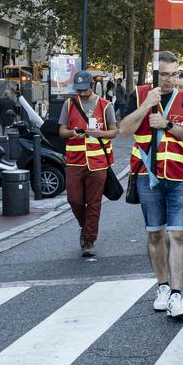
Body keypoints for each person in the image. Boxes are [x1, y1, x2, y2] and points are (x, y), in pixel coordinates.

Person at [120, 51, 183, 319]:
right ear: (154, 74)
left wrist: (167, 125)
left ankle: (177, 294)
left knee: (179, 234)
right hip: (148, 175)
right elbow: (124, 130)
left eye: (174, 74)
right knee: (155, 234)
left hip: (181, 175)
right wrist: (146, 105)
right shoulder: (140, 94)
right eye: (164, 75)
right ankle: (163, 287)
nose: (169, 80)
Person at [59, 70, 117, 258]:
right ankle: (85, 228)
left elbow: (114, 132)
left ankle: (89, 240)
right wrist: (72, 133)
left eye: (85, 89)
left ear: (92, 86)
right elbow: (61, 131)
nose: (82, 93)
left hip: (98, 162)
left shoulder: (106, 105)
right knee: (74, 200)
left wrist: (100, 134)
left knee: (94, 203)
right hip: (75, 161)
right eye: (79, 90)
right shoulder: (69, 104)